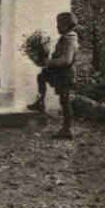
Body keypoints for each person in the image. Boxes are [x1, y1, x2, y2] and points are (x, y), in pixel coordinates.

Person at [27, 11, 79, 139]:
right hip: (60, 72)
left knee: (65, 100)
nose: (57, 27)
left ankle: (68, 129)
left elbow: (66, 60)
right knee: (42, 76)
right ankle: (40, 102)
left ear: (67, 26)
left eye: (59, 25)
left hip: (65, 74)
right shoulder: (67, 37)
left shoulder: (69, 39)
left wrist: (48, 62)